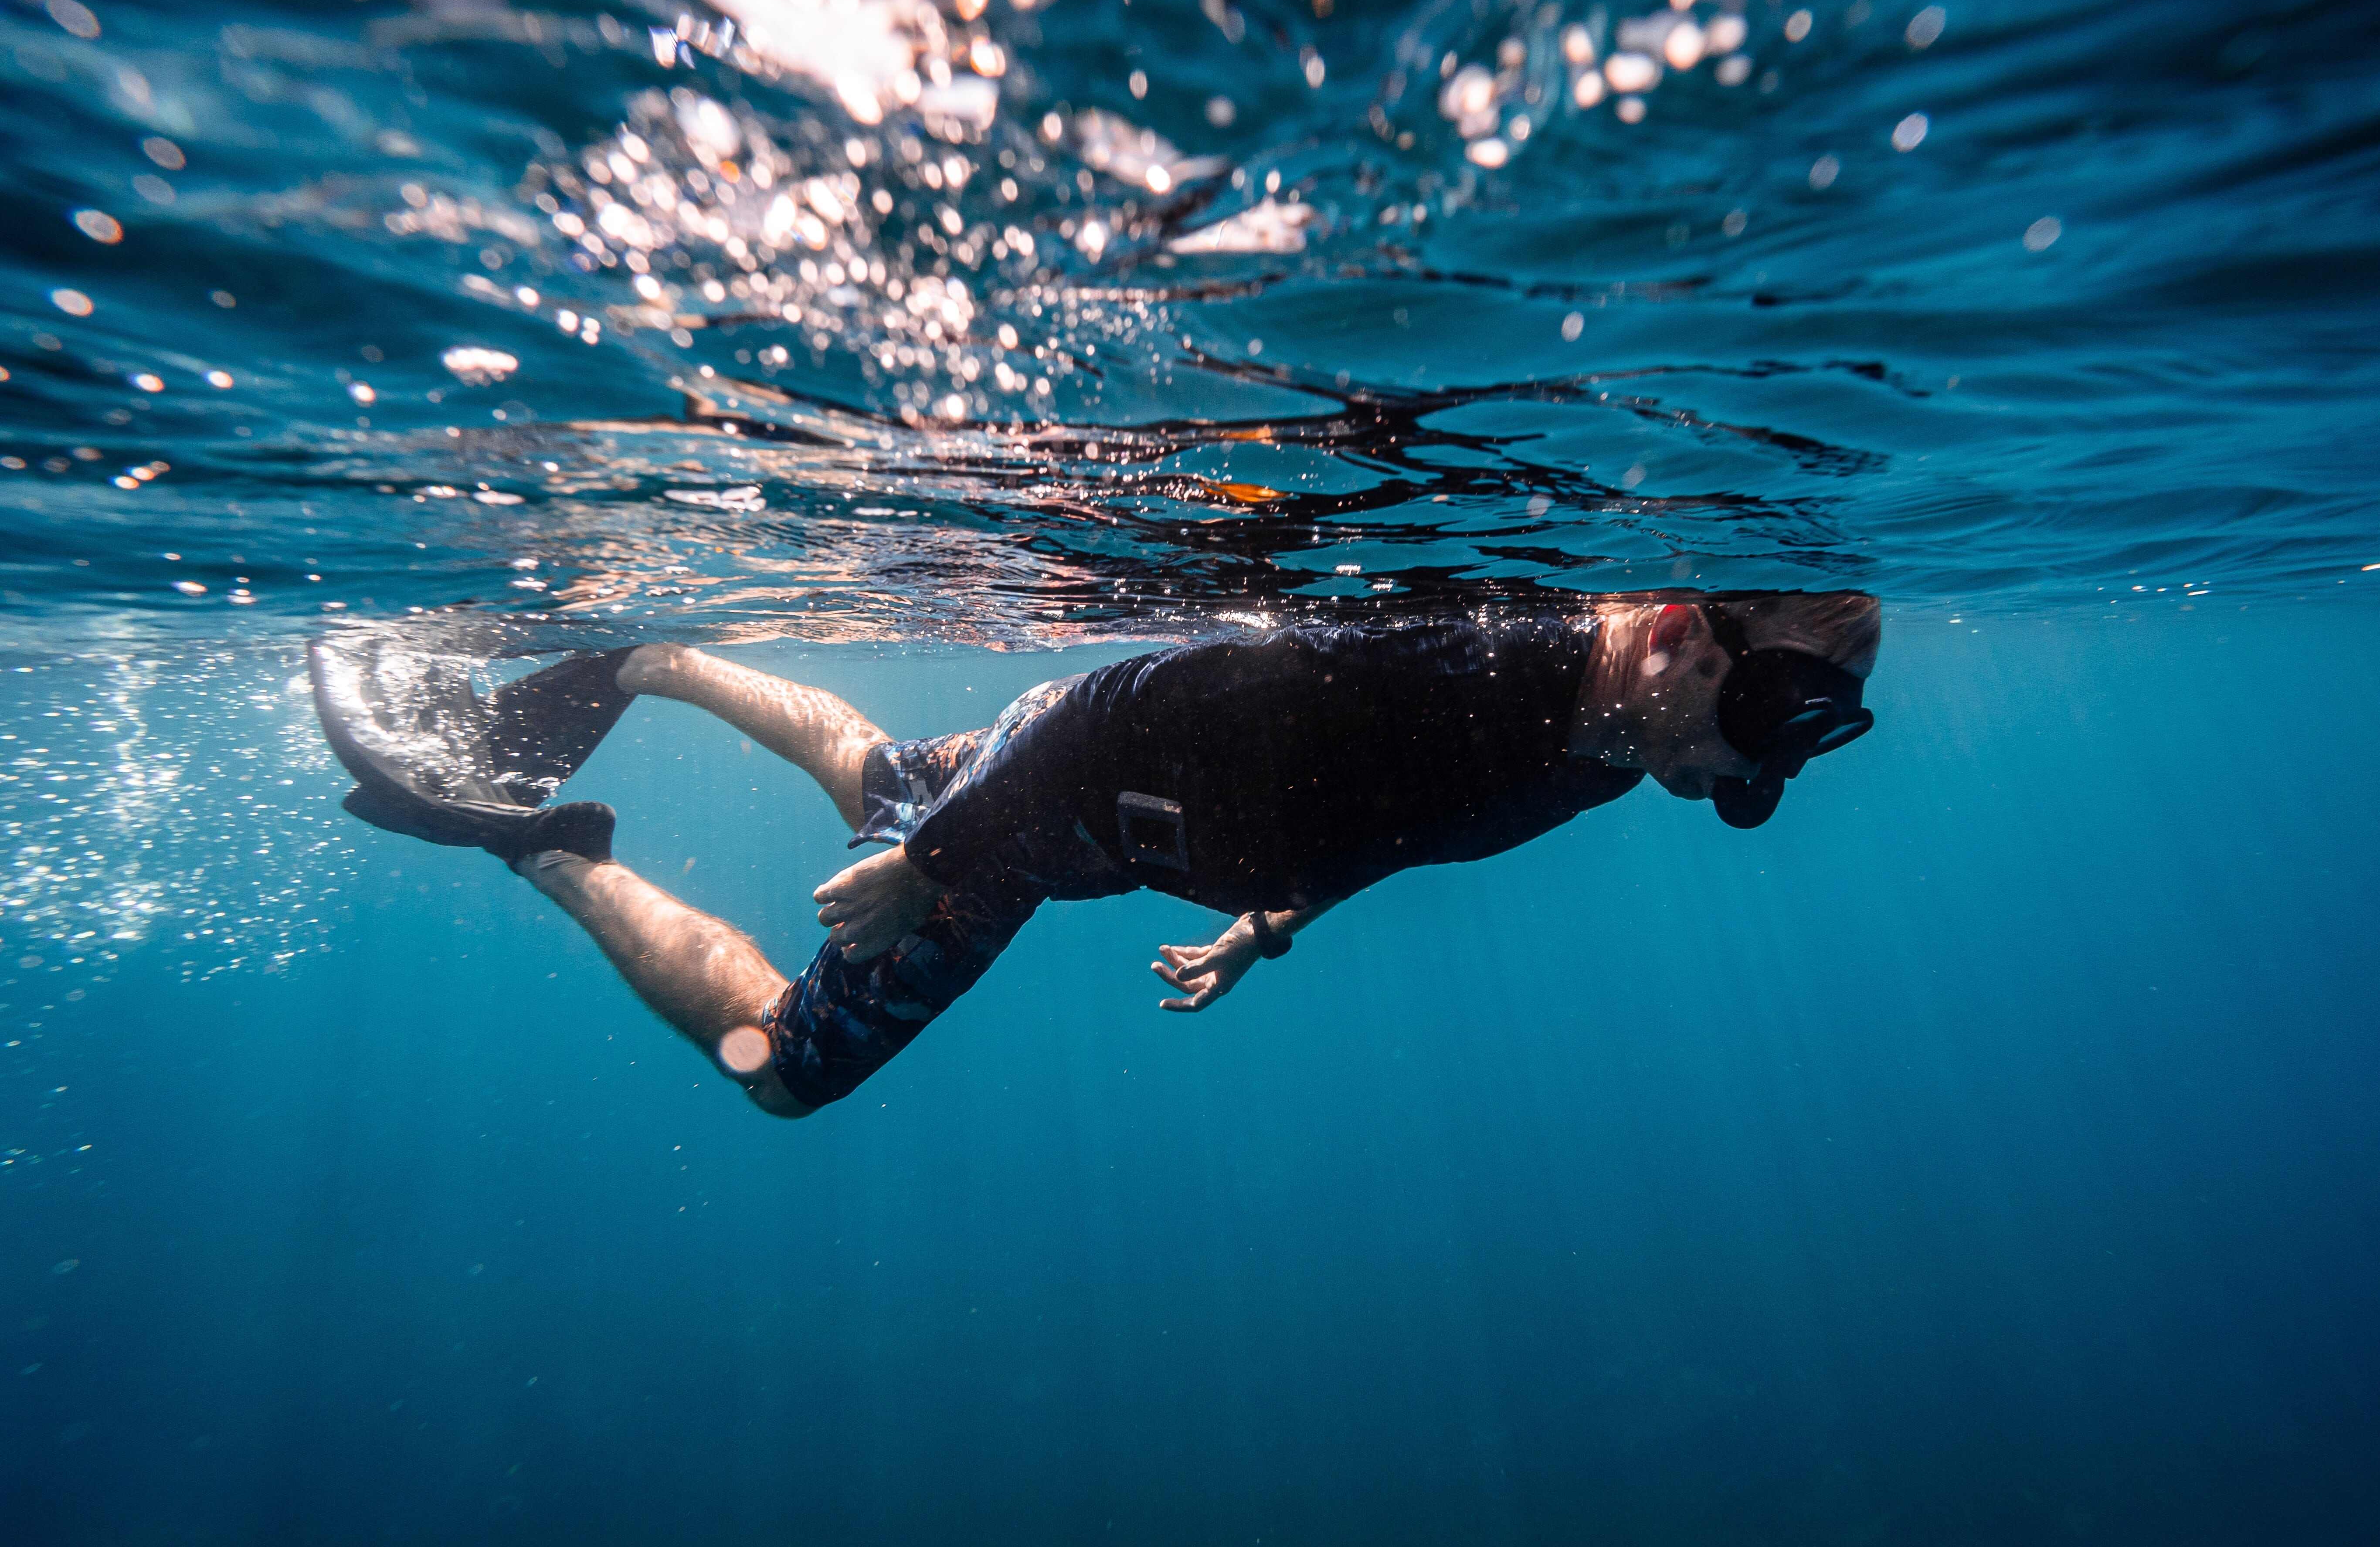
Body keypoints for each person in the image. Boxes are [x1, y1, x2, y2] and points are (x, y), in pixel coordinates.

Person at [310, 593, 1880, 1118]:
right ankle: (547, 850)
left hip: (1062, 815)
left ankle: (651, 659)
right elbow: (1148, 694)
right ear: (1677, 635)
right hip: (1048, 806)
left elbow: (1401, 834)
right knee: (788, 1069)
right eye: (1763, 717)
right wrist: (939, 862)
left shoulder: (1603, 754)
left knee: (881, 767)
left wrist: (1270, 925)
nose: (1737, 775)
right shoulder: (1474, 661)